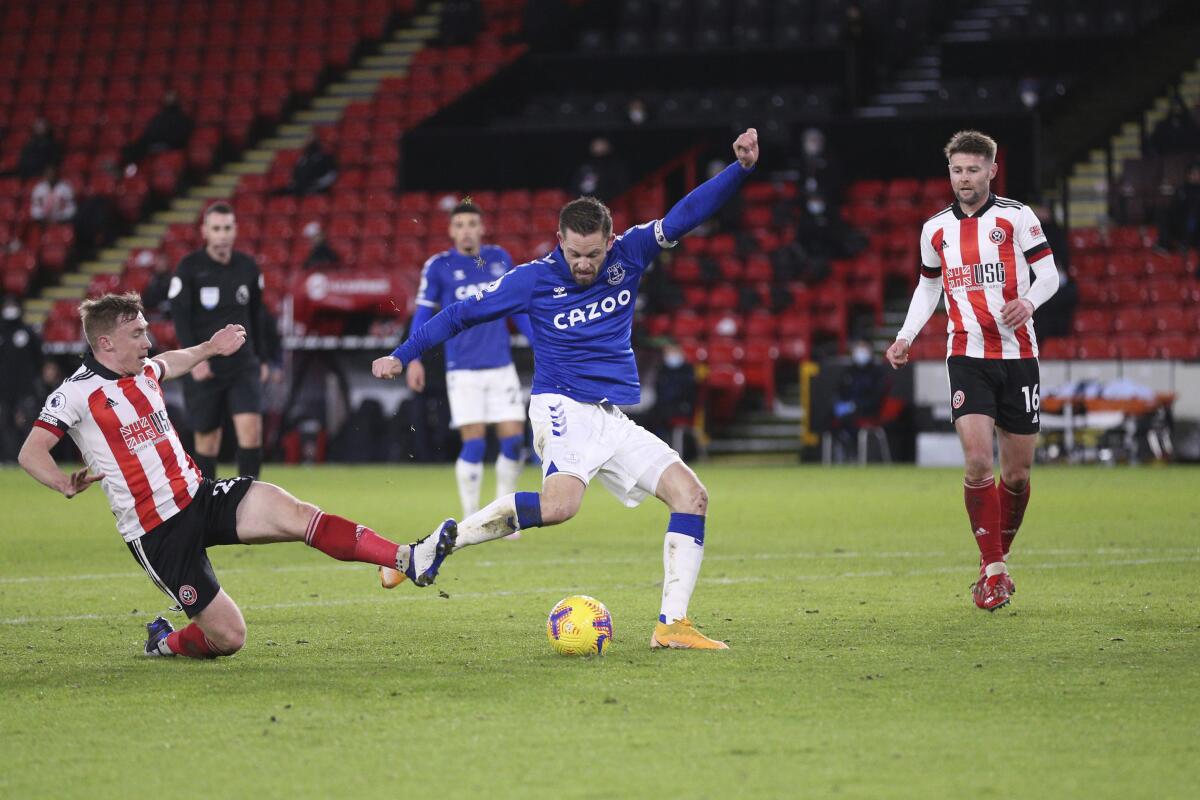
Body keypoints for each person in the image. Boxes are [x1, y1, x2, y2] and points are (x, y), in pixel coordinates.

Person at [373, 128, 761, 649]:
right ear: (560, 241)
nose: (584, 264)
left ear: (609, 241)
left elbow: (686, 213)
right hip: (560, 405)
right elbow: (462, 314)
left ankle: (672, 625)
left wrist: (739, 170)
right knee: (561, 507)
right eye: (576, 254)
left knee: (691, 496)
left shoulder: (633, 253)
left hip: (609, 416)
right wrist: (404, 354)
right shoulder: (531, 279)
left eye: (593, 254)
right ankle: (437, 546)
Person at [18, 293, 455, 660]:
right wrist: (61, 482)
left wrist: (209, 347)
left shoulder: (146, 371)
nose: (148, 342)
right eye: (137, 335)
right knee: (229, 638)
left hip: (201, 496)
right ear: (105, 342)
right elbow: (31, 450)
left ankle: (404, 557)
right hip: (156, 532)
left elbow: (175, 358)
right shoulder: (74, 393)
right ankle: (164, 642)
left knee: (297, 513)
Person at [885, 130, 1059, 612]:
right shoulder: (935, 229)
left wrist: (1027, 300)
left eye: (974, 170)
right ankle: (995, 570)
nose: (965, 178)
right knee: (979, 461)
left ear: (991, 171)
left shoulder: (1017, 217)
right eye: (958, 170)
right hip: (966, 355)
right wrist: (905, 335)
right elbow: (927, 288)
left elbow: (1049, 274)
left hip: (1019, 356)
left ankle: (992, 562)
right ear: (950, 173)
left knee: (1017, 474)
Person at [390, 199, 532, 564]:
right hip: (463, 369)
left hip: (500, 365)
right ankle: (472, 515)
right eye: (461, 225)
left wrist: (540, 345)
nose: (467, 230)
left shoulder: (499, 259)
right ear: (452, 231)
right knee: (474, 442)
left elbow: (519, 308)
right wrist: (413, 357)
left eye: (472, 223)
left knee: (514, 440)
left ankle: (505, 514)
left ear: (481, 228)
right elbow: (423, 312)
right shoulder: (438, 267)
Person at [168, 202, 270, 480]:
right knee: (207, 441)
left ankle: (249, 501)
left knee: (251, 432)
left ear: (235, 230)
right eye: (216, 229)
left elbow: (258, 316)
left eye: (227, 228)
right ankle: (209, 504)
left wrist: (261, 357)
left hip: (242, 364)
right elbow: (181, 318)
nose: (222, 234)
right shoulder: (189, 268)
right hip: (205, 363)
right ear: (205, 231)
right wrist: (193, 361)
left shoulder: (248, 267)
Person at [829, 340, 889, 460]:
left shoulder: (876, 373)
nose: (860, 353)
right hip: (848, 411)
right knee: (828, 418)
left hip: (868, 411)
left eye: (863, 349)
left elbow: (877, 398)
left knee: (849, 420)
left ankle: (852, 451)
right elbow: (839, 391)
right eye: (858, 349)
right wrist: (839, 404)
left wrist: (856, 405)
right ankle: (841, 447)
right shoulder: (849, 372)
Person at [1, 295, 43, 462]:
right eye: (7, 305)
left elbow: (39, 358)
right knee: (5, 424)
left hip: (25, 389)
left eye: (13, 304)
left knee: (27, 423)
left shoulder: (28, 332)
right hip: (3, 390)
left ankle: (30, 459)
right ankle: (8, 459)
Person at [123, 90, 193, 166]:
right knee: (131, 148)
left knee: (140, 149)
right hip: (153, 142)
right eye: (168, 98)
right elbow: (149, 132)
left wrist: (164, 139)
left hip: (169, 145)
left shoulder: (181, 118)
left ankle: (125, 168)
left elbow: (180, 137)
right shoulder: (160, 116)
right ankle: (124, 169)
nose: (169, 100)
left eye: (171, 98)